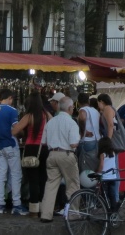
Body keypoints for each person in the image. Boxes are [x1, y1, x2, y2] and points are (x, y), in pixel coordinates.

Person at [39, 96, 80, 224]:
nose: (73, 109)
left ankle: (46, 214)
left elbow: (44, 141)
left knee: (51, 184)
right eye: (72, 107)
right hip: (66, 154)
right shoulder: (71, 122)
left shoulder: (51, 122)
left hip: (52, 154)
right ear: (69, 108)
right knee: (72, 184)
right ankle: (73, 213)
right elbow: (73, 144)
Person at [11, 91, 52, 217]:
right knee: (43, 179)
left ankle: (34, 209)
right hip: (44, 148)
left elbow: (14, 131)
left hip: (31, 148)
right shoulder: (47, 115)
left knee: (32, 179)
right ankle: (44, 208)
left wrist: (23, 134)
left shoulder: (29, 116)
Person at [0, 88, 29, 215]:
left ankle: (0, 204)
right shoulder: (12, 111)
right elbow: (16, 128)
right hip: (11, 145)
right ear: (10, 98)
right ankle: (16, 204)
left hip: (0, 146)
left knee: (1, 174)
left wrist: (0, 134)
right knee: (16, 174)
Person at [77, 93, 101, 173]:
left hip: (87, 141)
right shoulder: (95, 111)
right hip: (97, 139)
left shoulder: (82, 110)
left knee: (84, 164)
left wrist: (82, 132)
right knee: (93, 163)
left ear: (78, 102)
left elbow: (83, 117)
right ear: (88, 101)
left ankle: (85, 183)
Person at [97, 136, 119, 213]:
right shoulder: (113, 153)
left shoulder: (102, 154)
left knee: (105, 196)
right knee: (112, 195)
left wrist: (98, 172)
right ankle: (114, 210)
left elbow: (101, 166)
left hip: (105, 178)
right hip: (113, 177)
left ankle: (107, 210)